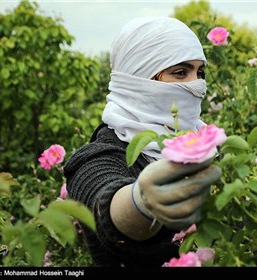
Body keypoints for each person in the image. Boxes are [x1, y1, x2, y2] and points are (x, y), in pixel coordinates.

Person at [63, 16, 221, 267]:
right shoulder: (96, 158)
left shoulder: (207, 144)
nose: (197, 85)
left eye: (199, 72)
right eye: (180, 72)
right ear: (137, 78)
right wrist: (141, 202)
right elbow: (105, 199)